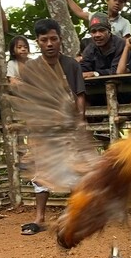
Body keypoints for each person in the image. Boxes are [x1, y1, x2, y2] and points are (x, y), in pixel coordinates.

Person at [21, 18, 86, 235]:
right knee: (42, 173)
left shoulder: (71, 65)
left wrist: (79, 122)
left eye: (53, 39)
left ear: (60, 40)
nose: (49, 43)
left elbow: (79, 96)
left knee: (74, 171)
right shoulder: (31, 68)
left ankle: (74, 216)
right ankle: (39, 218)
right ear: (38, 42)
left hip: (67, 127)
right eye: (44, 40)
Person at [80, 12, 130, 107]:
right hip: (98, 94)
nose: (97, 35)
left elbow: (116, 72)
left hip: (124, 93)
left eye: (101, 30)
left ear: (109, 31)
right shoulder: (90, 49)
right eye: (93, 31)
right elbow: (83, 70)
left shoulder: (121, 45)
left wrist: (95, 74)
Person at [57, 0, 131, 37]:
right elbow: (79, 12)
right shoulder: (97, 17)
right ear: (107, 0)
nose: (117, 3)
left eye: (121, 1)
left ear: (123, 5)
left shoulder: (125, 23)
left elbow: (127, 45)